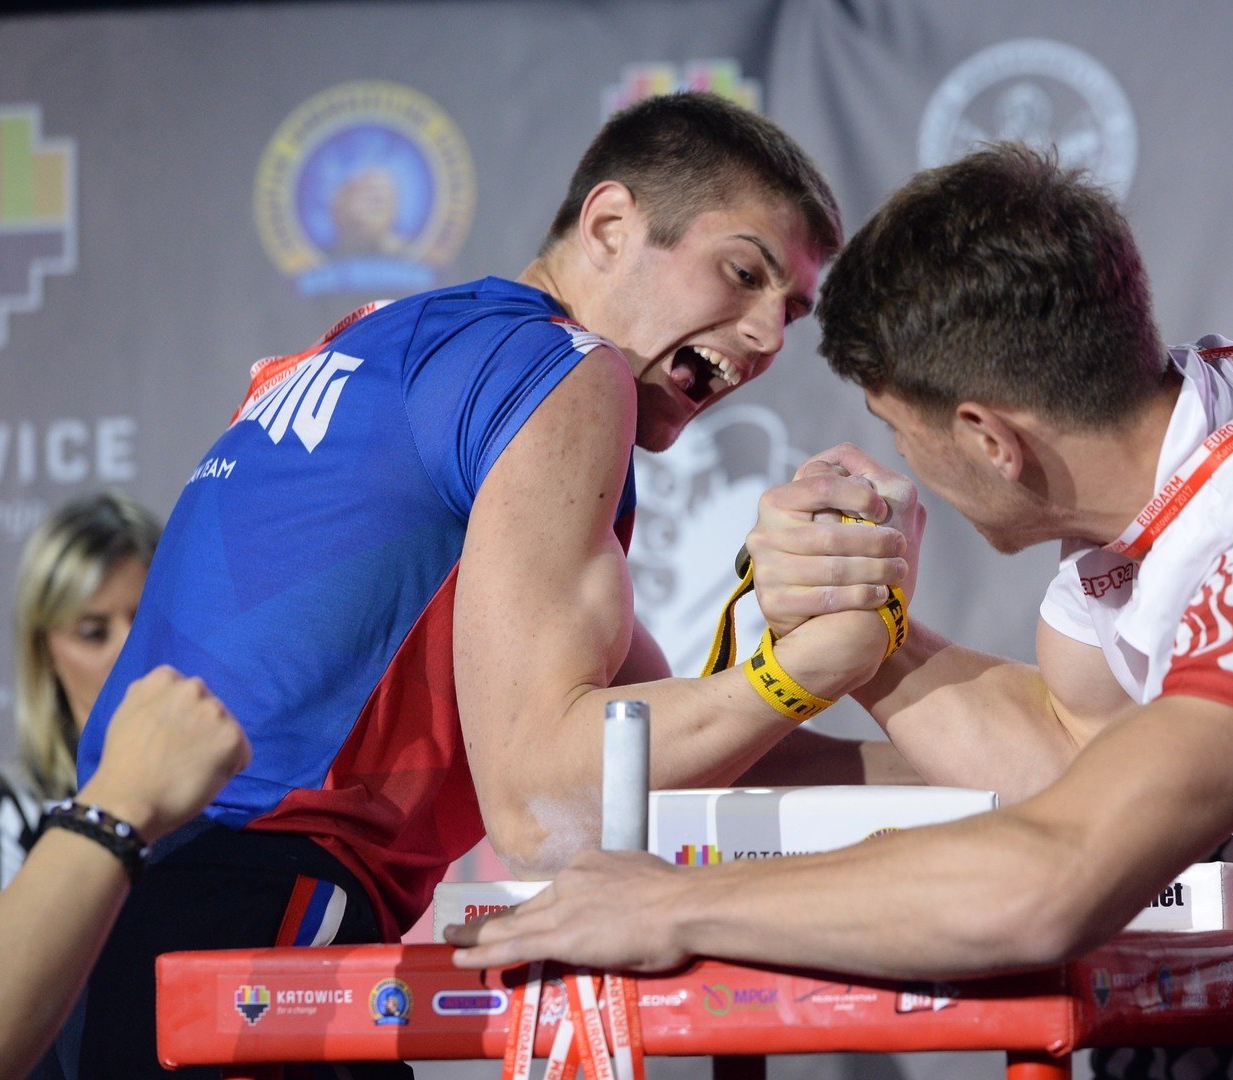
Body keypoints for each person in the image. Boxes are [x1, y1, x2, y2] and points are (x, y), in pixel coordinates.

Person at [449, 143, 1233, 1079]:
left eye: (899, 431)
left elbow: (1053, 878)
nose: (901, 462)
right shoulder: (1198, 431)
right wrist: (872, 635)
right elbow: (1072, 755)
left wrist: (674, 906)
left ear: (989, 439)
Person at [64, 92, 906, 1079]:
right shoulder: (563, 369)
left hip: (99, 913)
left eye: (791, 309)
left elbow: (661, 754)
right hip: (248, 920)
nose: (766, 335)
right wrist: (803, 669)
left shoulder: (401, 340)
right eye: (743, 272)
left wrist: (1003, 798)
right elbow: (543, 804)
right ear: (609, 225)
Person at [0, 666, 247, 1080]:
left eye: (133, 631)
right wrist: (123, 800)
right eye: (93, 635)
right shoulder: (6, 808)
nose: (121, 654)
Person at [0, 490, 161, 904]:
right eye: (94, 632)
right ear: (45, 652)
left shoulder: (228, 799)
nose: (128, 651)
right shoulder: (2, 817)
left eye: (146, 624)